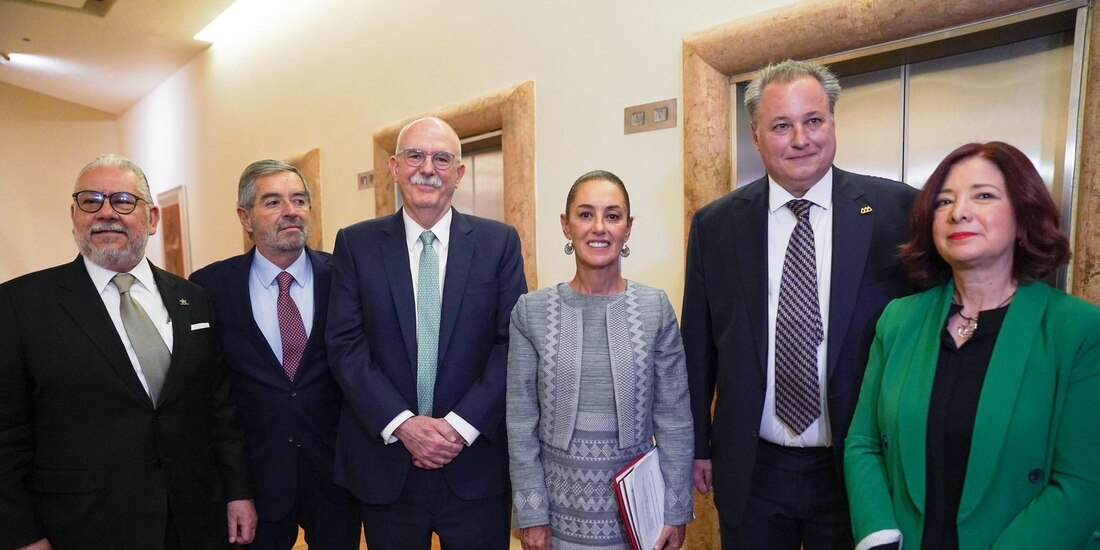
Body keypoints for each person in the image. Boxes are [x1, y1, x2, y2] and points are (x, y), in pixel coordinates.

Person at [681, 59, 918, 549]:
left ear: (833, 122)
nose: (801, 139)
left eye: (813, 121)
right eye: (781, 126)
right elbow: (698, 348)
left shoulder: (897, 212)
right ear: (756, 135)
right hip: (753, 467)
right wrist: (698, 445)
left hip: (857, 464)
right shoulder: (716, 225)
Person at [845, 141, 1100, 549]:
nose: (958, 212)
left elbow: (1083, 483)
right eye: (944, 201)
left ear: (1023, 216)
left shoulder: (1078, 330)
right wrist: (877, 533)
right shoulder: (899, 320)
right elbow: (864, 443)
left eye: (983, 196)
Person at [0, 154, 256, 550]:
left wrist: (238, 492)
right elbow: (7, 434)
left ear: (152, 218)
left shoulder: (193, 299)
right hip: (84, 526)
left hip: (194, 518)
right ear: (74, 215)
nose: (106, 213)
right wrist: (23, 534)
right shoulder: (21, 305)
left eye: (123, 200)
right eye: (91, 201)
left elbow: (218, 408)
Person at [326, 117, 527, 549]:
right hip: (388, 467)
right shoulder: (357, 245)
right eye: (415, 156)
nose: (427, 168)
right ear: (395, 167)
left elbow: (512, 344)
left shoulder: (499, 243)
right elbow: (345, 345)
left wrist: (457, 427)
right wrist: (403, 425)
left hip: (474, 465)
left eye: (441, 158)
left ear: (460, 172)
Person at [507, 170, 694, 550]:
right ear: (566, 225)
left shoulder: (655, 308)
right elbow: (521, 422)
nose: (599, 228)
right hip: (556, 517)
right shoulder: (531, 312)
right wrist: (531, 514)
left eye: (612, 216)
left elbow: (674, 418)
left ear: (628, 228)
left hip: (638, 518)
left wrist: (676, 509)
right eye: (585, 214)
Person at [190, 160, 361, 549]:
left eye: (299, 200)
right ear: (245, 217)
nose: (290, 211)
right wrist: (233, 489)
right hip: (255, 481)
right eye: (273, 202)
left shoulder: (344, 276)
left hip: (337, 478)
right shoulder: (210, 288)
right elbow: (210, 395)